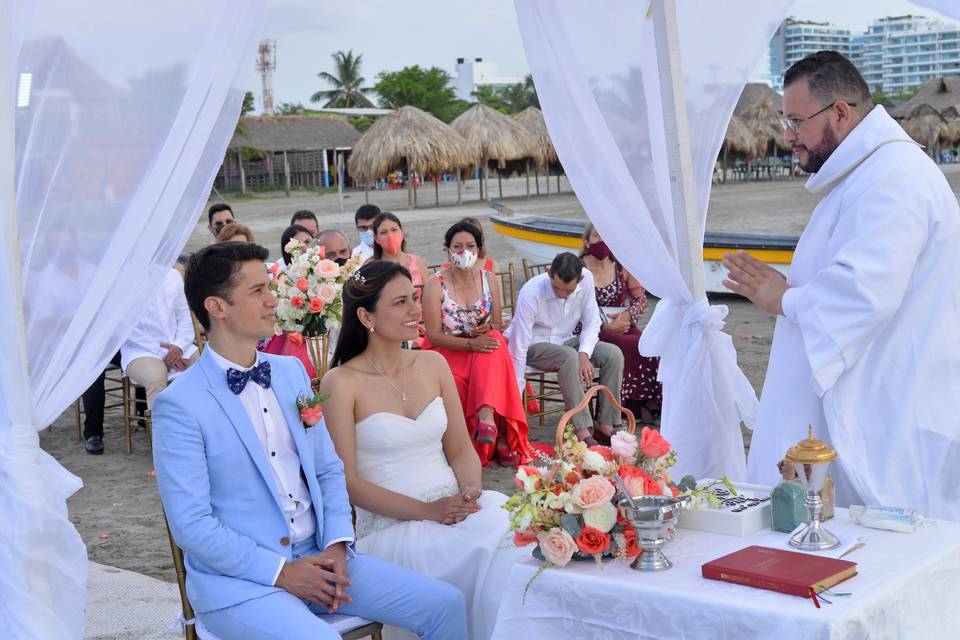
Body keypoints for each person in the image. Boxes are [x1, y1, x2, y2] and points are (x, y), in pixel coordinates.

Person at [153, 243, 467, 640]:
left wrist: (336, 545)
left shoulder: (291, 374)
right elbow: (192, 525)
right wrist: (281, 572)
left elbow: (328, 469)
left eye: (269, 288)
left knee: (446, 605)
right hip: (241, 584)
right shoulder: (179, 405)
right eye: (257, 292)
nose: (272, 301)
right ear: (217, 307)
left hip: (323, 557)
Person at [726, 51, 960, 519]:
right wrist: (790, 294)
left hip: (889, 413)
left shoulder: (894, 178)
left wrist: (784, 297)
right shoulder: (869, 174)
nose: (788, 136)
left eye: (796, 122)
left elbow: (865, 294)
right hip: (876, 397)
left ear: (839, 112)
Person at [320, 261, 527, 640]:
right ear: (366, 316)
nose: (417, 310)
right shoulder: (341, 382)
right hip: (393, 526)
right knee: (478, 560)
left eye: (415, 298)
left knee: (516, 543)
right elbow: (347, 483)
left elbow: (462, 447)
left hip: (454, 507)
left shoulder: (433, 363)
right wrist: (428, 512)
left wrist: (469, 490)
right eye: (401, 303)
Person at [421, 223, 534, 467]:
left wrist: (485, 331)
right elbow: (433, 335)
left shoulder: (489, 279)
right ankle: (499, 437)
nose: (464, 252)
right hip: (446, 350)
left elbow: (495, 324)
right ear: (447, 250)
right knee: (490, 352)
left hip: (481, 345)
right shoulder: (435, 284)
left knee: (494, 343)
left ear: (479, 249)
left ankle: (489, 420)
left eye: (470, 246)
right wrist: (472, 344)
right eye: (458, 247)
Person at [504, 252, 624, 446]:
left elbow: (592, 323)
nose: (561, 294)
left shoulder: (586, 280)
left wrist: (584, 354)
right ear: (548, 273)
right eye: (557, 288)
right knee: (569, 357)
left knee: (613, 354)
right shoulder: (531, 291)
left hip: (567, 340)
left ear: (581, 279)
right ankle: (581, 430)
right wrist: (515, 396)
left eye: (568, 291)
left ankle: (606, 424)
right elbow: (518, 346)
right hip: (534, 344)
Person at [579, 223, 662, 424]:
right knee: (628, 345)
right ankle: (623, 406)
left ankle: (648, 403)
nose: (602, 241)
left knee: (650, 346)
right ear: (587, 241)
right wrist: (603, 326)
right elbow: (573, 308)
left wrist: (627, 316)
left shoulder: (621, 265)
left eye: (606, 236)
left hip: (621, 321)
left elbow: (640, 299)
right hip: (592, 328)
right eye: (597, 236)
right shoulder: (579, 267)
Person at [121, 268, 200, 409]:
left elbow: (184, 315)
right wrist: (165, 353)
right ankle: (161, 429)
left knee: (207, 366)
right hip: (141, 351)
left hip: (180, 346)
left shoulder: (173, 275)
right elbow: (124, 327)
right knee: (155, 376)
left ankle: (203, 424)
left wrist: (179, 346)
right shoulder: (122, 279)